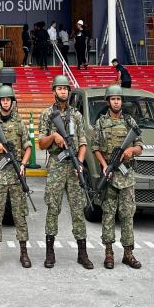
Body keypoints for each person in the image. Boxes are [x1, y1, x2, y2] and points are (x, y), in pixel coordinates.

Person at [38, 75, 93, 270]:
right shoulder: (47, 114)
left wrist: (79, 162)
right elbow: (41, 143)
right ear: (53, 91)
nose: (63, 91)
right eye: (59, 88)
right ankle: (50, 252)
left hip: (73, 166)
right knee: (53, 208)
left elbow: (83, 143)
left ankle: (82, 252)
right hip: (56, 165)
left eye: (65, 88)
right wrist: (54, 136)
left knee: (78, 209)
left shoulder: (77, 115)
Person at [92, 85, 143, 270]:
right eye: (113, 99)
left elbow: (140, 147)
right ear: (108, 101)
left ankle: (128, 254)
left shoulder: (130, 121)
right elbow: (95, 147)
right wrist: (105, 166)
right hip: (110, 175)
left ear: (122, 101)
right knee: (108, 214)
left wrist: (131, 150)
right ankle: (109, 253)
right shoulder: (100, 123)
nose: (116, 102)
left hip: (127, 176)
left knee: (127, 215)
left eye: (118, 99)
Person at [0, 84, 32, 269]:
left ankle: (24, 252)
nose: (5, 102)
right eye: (3, 99)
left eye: (8, 99)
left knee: (20, 215)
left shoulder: (19, 123)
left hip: (17, 176)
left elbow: (28, 147)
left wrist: (24, 164)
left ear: (12, 102)